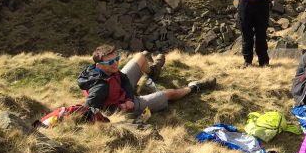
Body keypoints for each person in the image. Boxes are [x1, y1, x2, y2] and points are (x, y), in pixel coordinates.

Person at [77, 44, 216, 116]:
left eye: (116, 59)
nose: (115, 64)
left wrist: (129, 96)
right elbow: (91, 111)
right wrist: (123, 106)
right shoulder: (100, 88)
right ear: (99, 65)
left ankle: (153, 72)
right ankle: (194, 87)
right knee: (169, 94)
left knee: (141, 57)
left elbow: (123, 78)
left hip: (123, 93)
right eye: (111, 62)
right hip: (125, 106)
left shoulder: (105, 69)